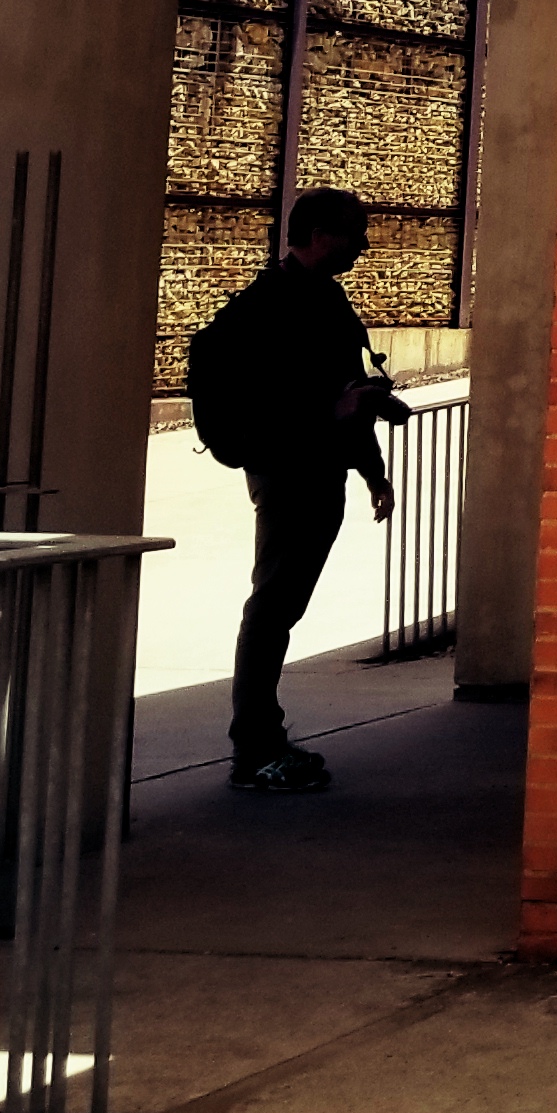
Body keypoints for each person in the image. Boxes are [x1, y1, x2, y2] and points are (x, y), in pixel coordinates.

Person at [200, 188, 394, 794]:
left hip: (320, 470)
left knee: (280, 608)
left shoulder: (323, 299)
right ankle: (254, 749)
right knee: (272, 609)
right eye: (352, 232)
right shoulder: (270, 307)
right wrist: (330, 412)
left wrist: (372, 469)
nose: (363, 245)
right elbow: (281, 400)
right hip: (288, 473)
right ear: (315, 234)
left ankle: (262, 740)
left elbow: (345, 390)